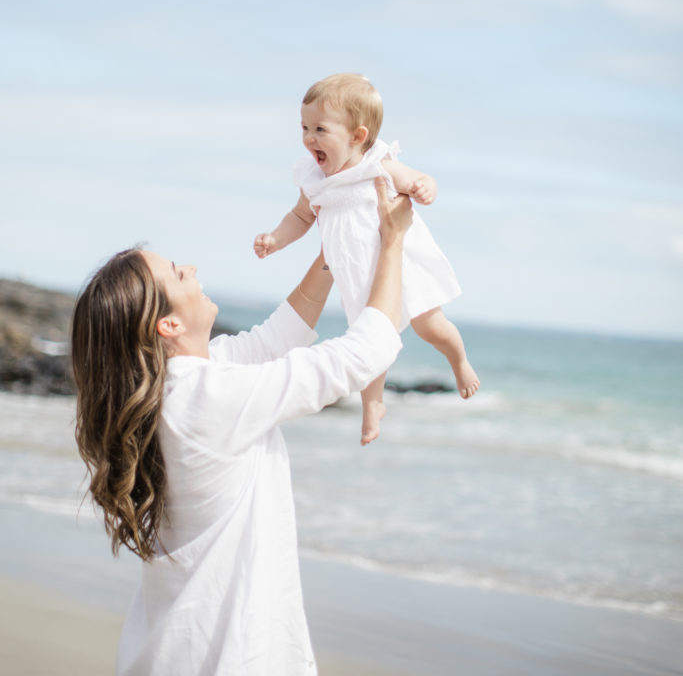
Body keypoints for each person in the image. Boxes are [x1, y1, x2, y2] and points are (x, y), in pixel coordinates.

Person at [71, 179, 411, 676]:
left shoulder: (180, 389)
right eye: (176, 272)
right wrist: (393, 242)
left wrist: (335, 249)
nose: (190, 268)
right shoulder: (205, 398)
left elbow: (277, 339)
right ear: (167, 325)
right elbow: (361, 355)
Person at [254, 72, 479, 446]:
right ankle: (372, 404)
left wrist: (426, 189)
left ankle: (459, 360)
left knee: (431, 326)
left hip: (400, 265)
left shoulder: (377, 164)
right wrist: (276, 239)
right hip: (357, 272)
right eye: (305, 127)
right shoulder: (313, 177)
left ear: (357, 137)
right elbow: (300, 217)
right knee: (369, 341)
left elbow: (418, 179)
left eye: (320, 129)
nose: (309, 138)